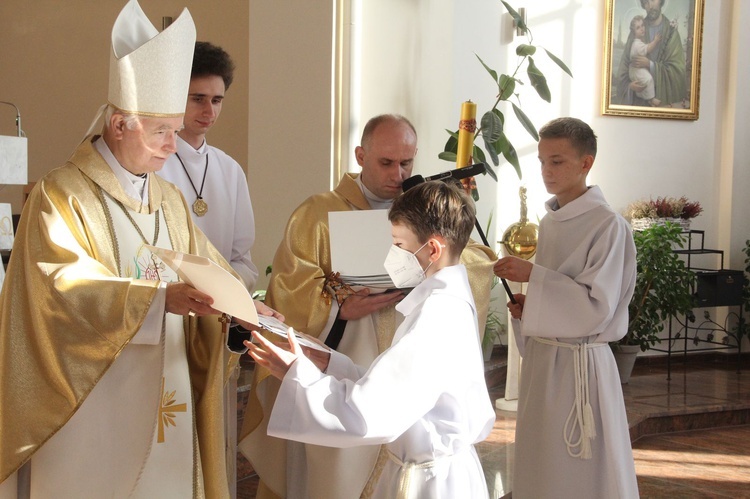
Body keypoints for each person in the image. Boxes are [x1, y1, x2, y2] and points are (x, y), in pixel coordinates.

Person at [0, 2, 279, 497]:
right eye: (161, 131)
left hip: (169, 389)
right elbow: (57, 291)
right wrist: (154, 301)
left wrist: (242, 307)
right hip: (95, 409)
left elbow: (210, 271)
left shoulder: (168, 200)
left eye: (175, 129)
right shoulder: (62, 195)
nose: (174, 145)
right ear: (119, 123)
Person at [239, 114, 496, 499]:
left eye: (397, 245)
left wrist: (299, 375)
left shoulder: (436, 314)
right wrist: (331, 344)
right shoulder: (319, 212)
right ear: (361, 155)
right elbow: (293, 287)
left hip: (426, 477)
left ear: (433, 249)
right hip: (374, 379)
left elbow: (367, 414)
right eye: (386, 162)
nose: (398, 173)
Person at [493, 117, 639, 498]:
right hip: (546, 361)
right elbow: (560, 293)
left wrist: (535, 278)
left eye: (557, 161)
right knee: (543, 464)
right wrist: (531, 305)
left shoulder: (608, 225)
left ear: (585, 163)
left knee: (580, 470)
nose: (546, 171)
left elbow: (596, 306)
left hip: (582, 368)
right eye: (542, 161)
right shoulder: (553, 221)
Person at [158, 41, 258, 290]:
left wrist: (220, 289)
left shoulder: (229, 169)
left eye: (216, 100)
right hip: (167, 301)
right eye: (198, 99)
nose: (209, 111)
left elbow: (242, 260)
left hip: (215, 310)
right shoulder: (153, 164)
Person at [615, 0, 686, 107]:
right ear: (643, 5)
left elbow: (678, 72)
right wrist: (630, 86)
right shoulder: (636, 31)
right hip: (639, 106)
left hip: (664, 107)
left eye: (653, 0)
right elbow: (624, 70)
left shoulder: (671, 32)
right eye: (646, 2)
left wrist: (650, 65)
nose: (650, 6)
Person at [628, 15, 662, 107]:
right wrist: (655, 41)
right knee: (648, 79)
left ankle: (645, 97)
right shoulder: (637, 44)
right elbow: (648, 48)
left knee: (644, 81)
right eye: (638, 28)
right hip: (636, 70)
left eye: (642, 25)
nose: (642, 29)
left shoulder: (637, 42)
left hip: (635, 69)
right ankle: (651, 99)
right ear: (634, 32)